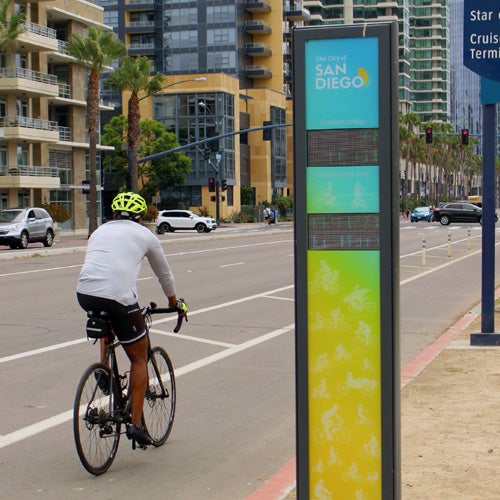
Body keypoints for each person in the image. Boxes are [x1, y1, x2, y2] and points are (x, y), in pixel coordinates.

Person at [76, 192, 185, 447]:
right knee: (138, 356)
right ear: (139, 217)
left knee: (108, 325)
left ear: (114, 214)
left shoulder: (99, 231)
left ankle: (104, 370)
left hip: (85, 293)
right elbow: (164, 274)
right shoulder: (146, 236)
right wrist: (173, 303)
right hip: (118, 296)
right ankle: (135, 425)